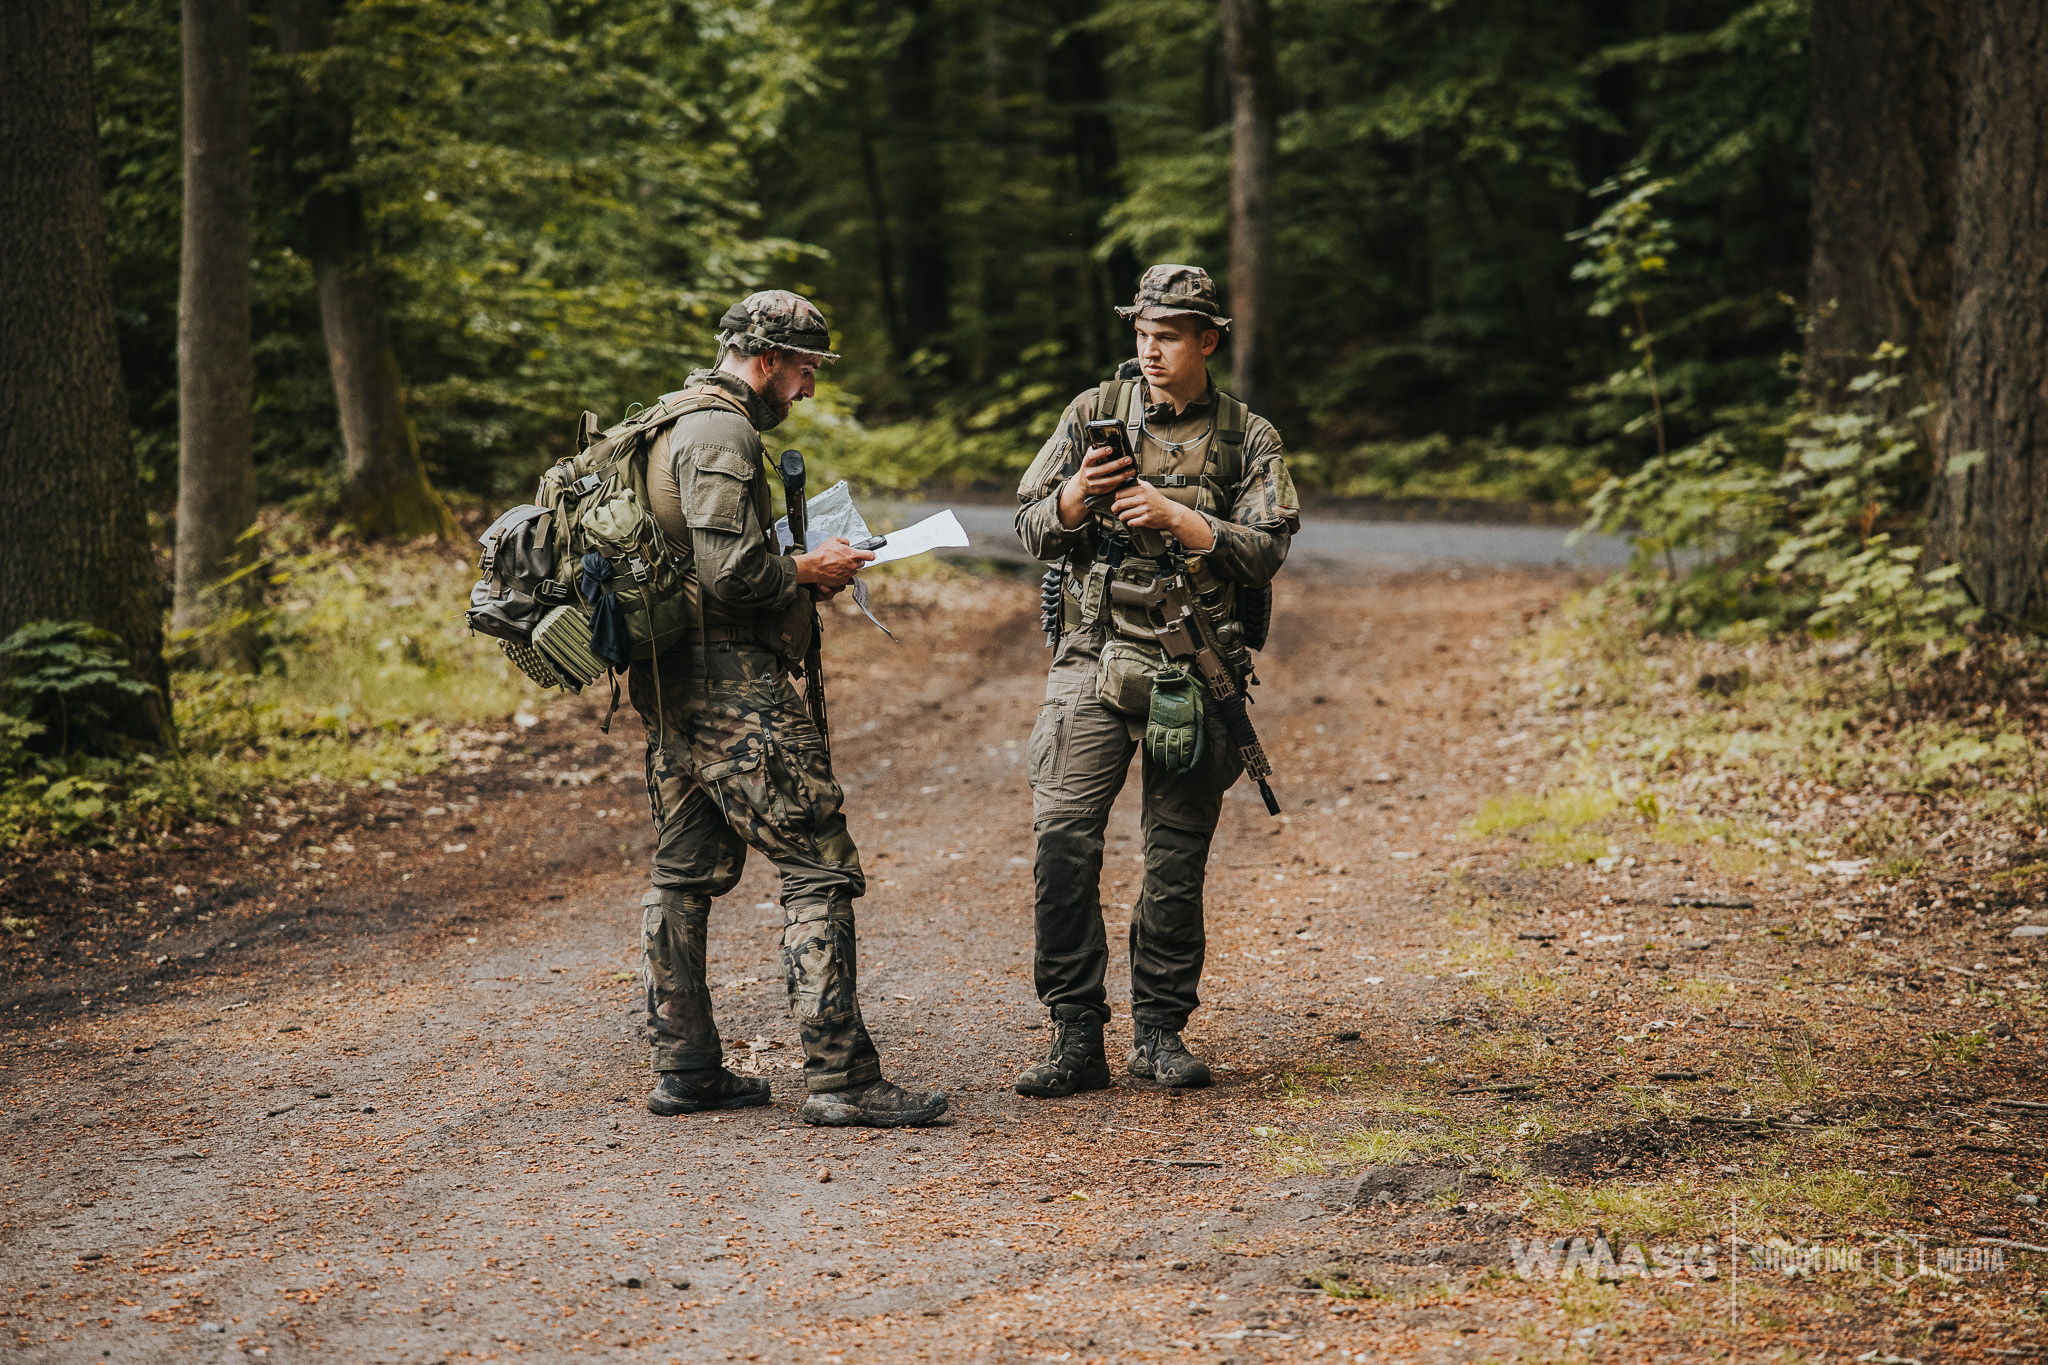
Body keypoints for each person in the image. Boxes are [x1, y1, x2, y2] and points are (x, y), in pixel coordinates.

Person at [629, 289, 946, 1128]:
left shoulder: (667, 418)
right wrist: (811, 569)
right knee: (818, 862)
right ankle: (841, 1077)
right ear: (765, 360)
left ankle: (686, 1065)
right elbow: (732, 573)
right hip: (734, 685)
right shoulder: (722, 431)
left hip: (673, 687)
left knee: (682, 871)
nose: (807, 389)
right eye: (804, 371)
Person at [1011, 264, 1299, 1096]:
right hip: (1094, 655)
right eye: (1142, 334)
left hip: (1195, 662)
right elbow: (1028, 523)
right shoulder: (1092, 415)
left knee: (1175, 858)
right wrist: (1073, 499)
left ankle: (1160, 1029)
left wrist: (1184, 520)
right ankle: (1074, 1033)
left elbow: (1270, 546)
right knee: (1062, 835)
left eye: (1168, 336)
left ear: (1207, 340)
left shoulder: (1249, 436)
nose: (1151, 350)